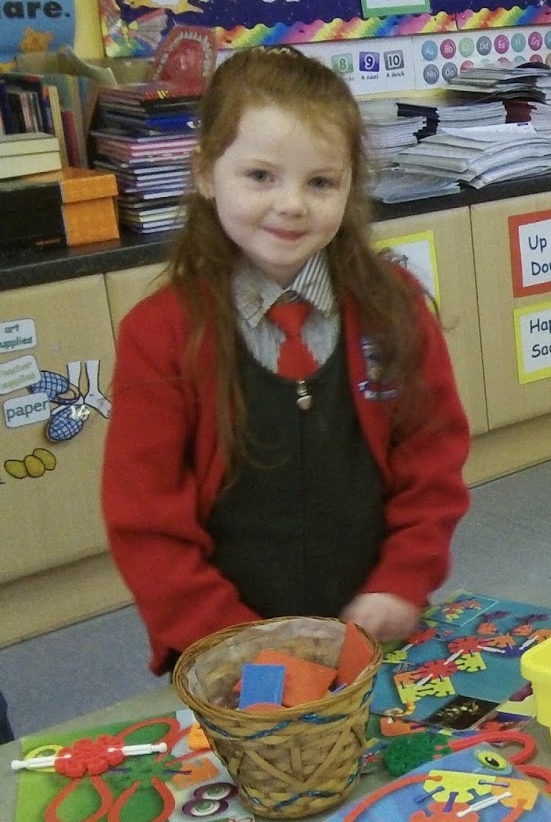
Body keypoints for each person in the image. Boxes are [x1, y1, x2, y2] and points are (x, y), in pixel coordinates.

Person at [103, 48, 471, 675]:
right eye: (261, 176)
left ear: (350, 186)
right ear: (205, 173)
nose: (292, 204)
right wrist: (231, 643)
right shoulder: (160, 333)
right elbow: (147, 523)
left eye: (320, 182)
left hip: (372, 632)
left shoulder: (394, 306)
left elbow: (432, 462)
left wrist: (401, 580)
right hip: (228, 651)